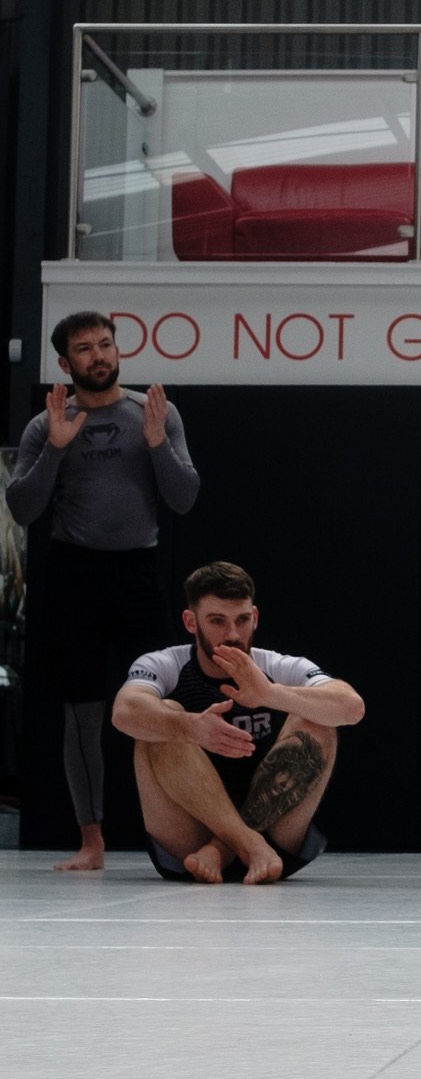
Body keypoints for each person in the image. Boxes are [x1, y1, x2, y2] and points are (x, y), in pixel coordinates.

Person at [6, 310, 199, 871]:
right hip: (74, 574)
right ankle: (92, 843)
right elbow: (21, 509)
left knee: (164, 707)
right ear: (66, 364)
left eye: (105, 345)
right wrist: (58, 448)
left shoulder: (153, 413)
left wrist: (159, 443)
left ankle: (179, 833)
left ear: (118, 350)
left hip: (138, 571)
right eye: (85, 349)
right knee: (81, 713)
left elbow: (185, 498)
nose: (99, 356)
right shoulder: (48, 423)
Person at [111, 560, 364, 884]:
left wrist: (271, 694)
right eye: (217, 621)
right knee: (161, 716)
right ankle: (245, 843)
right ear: (191, 622)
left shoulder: (276, 666)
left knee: (316, 719)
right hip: (190, 840)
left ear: (255, 617)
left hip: (273, 836)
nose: (232, 634)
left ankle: (228, 847)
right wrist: (188, 726)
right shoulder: (164, 663)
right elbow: (124, 712)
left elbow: (351, 707)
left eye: (242, 620)